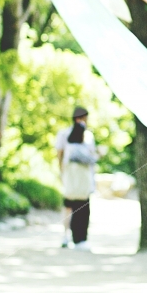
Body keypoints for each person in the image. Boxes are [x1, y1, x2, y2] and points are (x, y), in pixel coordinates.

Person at [55, 106, 97, 250]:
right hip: (72, 177)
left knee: (77, 207)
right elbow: (60, 154)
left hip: (80, 178)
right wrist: (62, 173)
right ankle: (68, 236)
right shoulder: (65, 134)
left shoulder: (88, 136)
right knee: (71, 206)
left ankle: (76, 238)